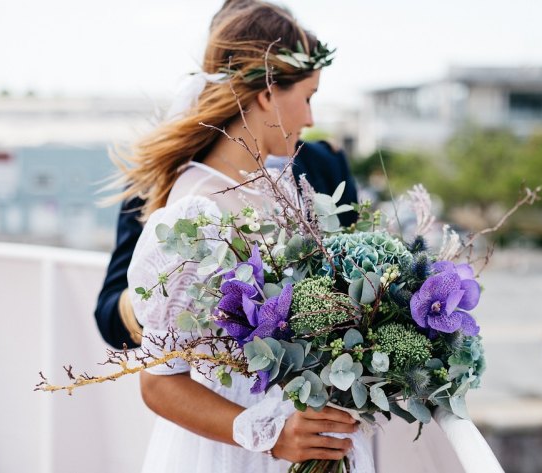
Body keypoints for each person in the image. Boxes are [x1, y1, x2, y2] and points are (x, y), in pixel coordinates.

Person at [111, 2, 367, 472]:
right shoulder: (195, 217)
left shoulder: (285, 188)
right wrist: (270, 436)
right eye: (308, 96)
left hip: (306, 441)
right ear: (269, 92)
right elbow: (160, 383)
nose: (310, 118)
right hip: (234, 454)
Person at [94, 2, 359, 351]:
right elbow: (113, 317)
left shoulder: (325, 164)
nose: (310, 117)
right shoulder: (165, 180)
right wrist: (175, 282)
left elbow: (353, 272)